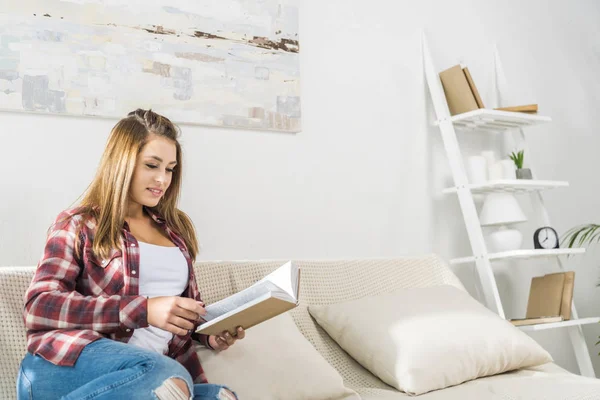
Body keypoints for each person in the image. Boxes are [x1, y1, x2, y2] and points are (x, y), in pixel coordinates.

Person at [17, 109, 243, 400]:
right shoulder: (78, 224)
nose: (162, 179)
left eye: (170, 169)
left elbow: (185, 309)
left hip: (149, 380)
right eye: (152, 165)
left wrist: (208, 333)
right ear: (122, 163)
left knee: (221, 396)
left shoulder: (176, 230)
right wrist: (144, 310)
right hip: (65, 366)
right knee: (166, 376)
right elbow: (39, 305)